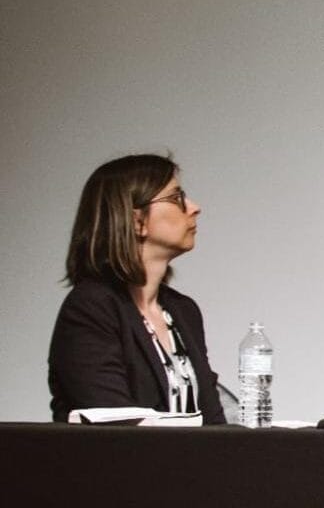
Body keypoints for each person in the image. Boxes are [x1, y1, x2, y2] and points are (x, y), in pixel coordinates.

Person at [48, 154, 227, 424]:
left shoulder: (183, 311)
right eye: (176, 198)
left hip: (189, 465)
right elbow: (117, 426)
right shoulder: (91, 308)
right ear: (136, 221)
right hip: (121, 465)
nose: (193, 207)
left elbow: (214, 421)